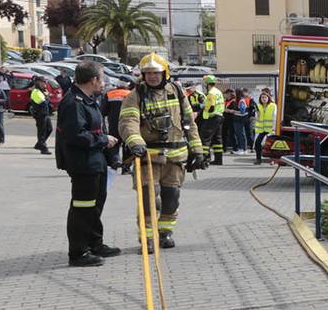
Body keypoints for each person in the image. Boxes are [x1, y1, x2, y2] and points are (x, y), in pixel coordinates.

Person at [119, 53, 208, 251]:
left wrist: (198, 151)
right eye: (148, 73)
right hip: (148, 158)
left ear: (165, 73)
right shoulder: (135, 96)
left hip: (175, 157)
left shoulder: (176, 91)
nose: (152, 76)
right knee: (150, 198)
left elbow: (189, 123)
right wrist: (135, 143)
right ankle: (148, 238)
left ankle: (165, 233)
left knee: (171, 197)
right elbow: (128, 122)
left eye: (156, 72)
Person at [56, 61, 122, 267]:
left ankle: (95, 243)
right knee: (82, 208)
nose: (104, 83)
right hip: (83, 163)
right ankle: (78, 252)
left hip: (96, 161)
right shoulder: (74, 102)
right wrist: (104, 140)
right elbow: (76, 135)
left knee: (95, 205)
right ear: (93, 80)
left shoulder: (88, 99)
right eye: (102, 78)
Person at [199, 75, 226, 165]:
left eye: (204, 83)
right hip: (219, 116)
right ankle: (219, 159)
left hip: (212, 117)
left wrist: (203, 106)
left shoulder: (211, 93)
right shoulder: (218, 92)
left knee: (205, 137)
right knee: (217, 139)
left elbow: (210, 108)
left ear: (207, 83)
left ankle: (204, 159)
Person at [29, 77, 54, 154]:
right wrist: (47, 96)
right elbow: (43, 103)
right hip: (40, 114)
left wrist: (47, 96)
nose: (44, 84)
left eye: (45, 82)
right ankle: (43, 147)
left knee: (49, 129)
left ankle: (39, 144)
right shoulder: (36, 92)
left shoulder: (42, 91)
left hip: (45, 114)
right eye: (43, 82)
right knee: (42, 132)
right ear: (38, 83)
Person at [252, 88, 277, 164]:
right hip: (262, 130)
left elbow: (275, 117)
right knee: (257, 143)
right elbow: (257, 118)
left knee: (272, 146)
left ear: (268, 98)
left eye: (265, 97)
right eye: (262, 97)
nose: (264, 99)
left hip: (271, 130)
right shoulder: (258, 106)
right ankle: (258, 159)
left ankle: (273, 160)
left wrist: (274, 128)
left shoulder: (273, 106)